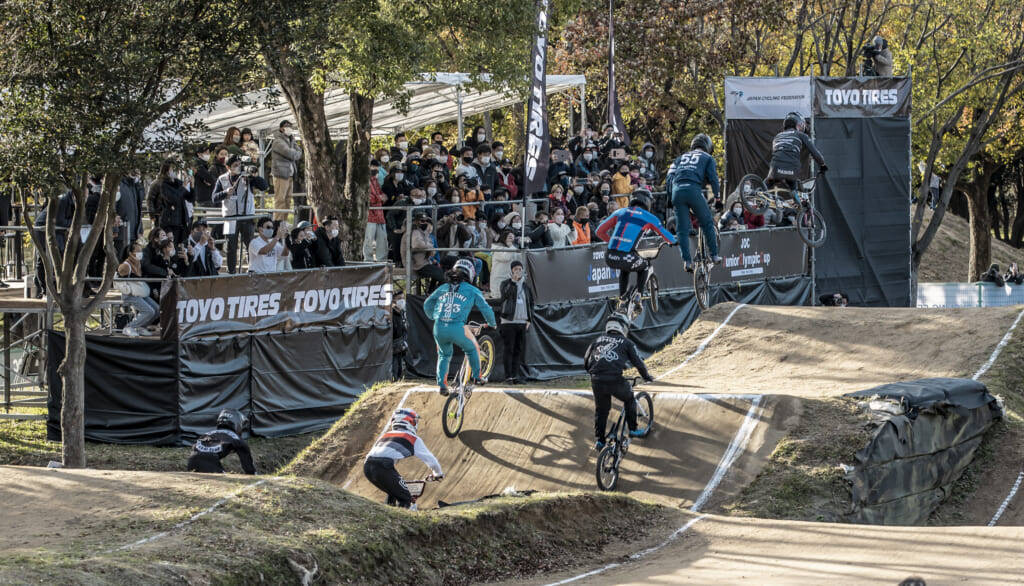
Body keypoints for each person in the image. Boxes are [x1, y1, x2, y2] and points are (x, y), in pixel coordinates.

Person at [423, 259, 497, 395]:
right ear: (470, 274)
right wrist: (492, 323)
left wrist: (434, 316)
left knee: (443, 355)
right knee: (472, 348)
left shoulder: (443, 287)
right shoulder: (472, 290)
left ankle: (442, 385)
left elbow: (427, 304)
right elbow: (486, 309)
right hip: (457, 326)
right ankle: (477, 377)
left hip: (439, 327)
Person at [585, 313, 654, 451]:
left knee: (601, 410)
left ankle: (600, 441)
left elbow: (586, 361)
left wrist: (596, 373)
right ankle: (633, 429)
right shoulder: (627, 343)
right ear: (623, 327)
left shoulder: (596, 340)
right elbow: (638, 363)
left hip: (596, 380)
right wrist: (646, 376)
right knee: (629, 399)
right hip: (614, 379)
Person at [596, 191, 677, 298]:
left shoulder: (620, 211)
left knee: (625, 270)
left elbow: (599, 231)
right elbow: (665, 234)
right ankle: (639, 296)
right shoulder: (649, 217)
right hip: (626, 257)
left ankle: (622, 300)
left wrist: (612, 241)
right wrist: (675, 241)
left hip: (609, 257)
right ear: (646, 202)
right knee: (645, 267)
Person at [363, 408, 443, 508]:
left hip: (367, 467)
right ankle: (401, 519)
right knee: (406, 499)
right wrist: (438, 474)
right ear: (409, 422)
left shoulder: (385, 435)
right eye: (415, 421)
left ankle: (389, 514)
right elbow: (432, 462)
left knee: (393, 492)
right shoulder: (413, 438)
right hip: (383, 467)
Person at [666, 133, 722, 272]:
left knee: (682, 229)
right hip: (693, 190)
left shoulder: (680, 158)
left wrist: (670, 198)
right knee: (707, 222)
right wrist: (718, 198)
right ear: (708, 147)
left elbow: (670, 177)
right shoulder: (708, 158)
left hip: (677, 191)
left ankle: (687, 261)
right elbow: (714, 179)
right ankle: (714, 255)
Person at [212, 155, 269, 273]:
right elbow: (214, 198)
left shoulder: (247, 177)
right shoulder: (222, 179)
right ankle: (231, 272)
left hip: (247, 216)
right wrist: (225, 193)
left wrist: (254, 176)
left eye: (239, 164)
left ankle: (252, 270)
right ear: (228, 167)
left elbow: (264, 186)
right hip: (230, 217)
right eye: (235, 165)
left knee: (250, 245)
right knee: (231, 246)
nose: (238, 167)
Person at [767, 112, 828, 198]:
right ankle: (797, 203)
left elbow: (776, 152)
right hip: (791, 169)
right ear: (799, 124)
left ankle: (755, 194)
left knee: (765, 185)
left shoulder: (777, 136)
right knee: (793, 189)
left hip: (775, 168)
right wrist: (823, 165)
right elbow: (815, 153)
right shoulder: (801, 135)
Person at [187, 409, 256, 475]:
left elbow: (195, 447)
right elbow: (247, 463)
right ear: (237, 422)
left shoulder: (208, 433)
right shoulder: (236, 438)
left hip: (192, 459)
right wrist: (252, 473)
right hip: (210, 460)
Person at [115, 241, 159, 337]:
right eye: (138, 251)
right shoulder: (126, 266)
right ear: (131, 253)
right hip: (129, 295)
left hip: (140, 294)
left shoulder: (139, 263)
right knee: (149, 311)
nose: (141, 253)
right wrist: (126, 288)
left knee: (157, 309)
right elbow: (117, 277)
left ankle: (141, 327)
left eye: (141, 251)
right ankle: (129, 327)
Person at [499, 261, 533, 383]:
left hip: (522, 322)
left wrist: (529, 319)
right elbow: (505, 295)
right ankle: (508, 376)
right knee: (509, 349)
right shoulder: (505, 284)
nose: (518, 271)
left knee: (518, 350)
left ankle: (515, 375)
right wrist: (513, 282)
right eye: (516, 269)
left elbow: (531, 303)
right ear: (512, 270)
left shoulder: (526, 286)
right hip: (508, 322)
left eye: (520, 269)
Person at [147, 160, 194, 244]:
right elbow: (151, 199)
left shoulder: (178, 183)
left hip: (181, 220)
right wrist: (152, 213)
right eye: (173, 169)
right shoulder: (161, 184)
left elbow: (189, 197)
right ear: (167, 170)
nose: (175, 171)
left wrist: (192, 186)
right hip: (166, 218)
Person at [401, 213, 445, 292]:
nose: (425, 223)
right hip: (416, 265)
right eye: (422, 221)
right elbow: (417, 244)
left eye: (426, 221)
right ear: (416, 222)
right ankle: (434, 294)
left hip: (423, 262)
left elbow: (430, 246)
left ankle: (431, 292)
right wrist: (429, 248)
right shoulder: (414, 232)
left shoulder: (421, 232)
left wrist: (431, 253)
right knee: (442, 276)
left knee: (442, 271)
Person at [270, 120, 301, 221]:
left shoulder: (292, 140)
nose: (289, 128)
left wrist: (294, 154)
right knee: (280, 200)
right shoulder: (277, 141)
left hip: (290, 174)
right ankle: (277, 223)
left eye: (291, 126)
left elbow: (299, 152)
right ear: (281, 128)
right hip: (280, 174)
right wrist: (294, 154)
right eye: (287, 126)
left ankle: (284, 222)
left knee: (288, 200)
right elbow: (289, 153)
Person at [364, 164, 388, 262]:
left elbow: (382, 195)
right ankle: (368, 261)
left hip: (379, 215)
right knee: (368, 240)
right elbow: (369, 198)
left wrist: (381, 197)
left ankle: (381, 261)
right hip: (369, 216)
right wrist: (380, 198)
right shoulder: (364, 182)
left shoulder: (376, 181)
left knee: (382, 240)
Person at [391, 292, 408, 381]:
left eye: (403, 298)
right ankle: (395, 379)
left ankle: (399, 378)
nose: (402, 301)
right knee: (394, 365)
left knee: (400, 366)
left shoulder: (402, 313)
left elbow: (404, 329)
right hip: (393, 345)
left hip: (401, 344)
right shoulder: (391, 314)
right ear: (394, 300)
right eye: (399, 298)